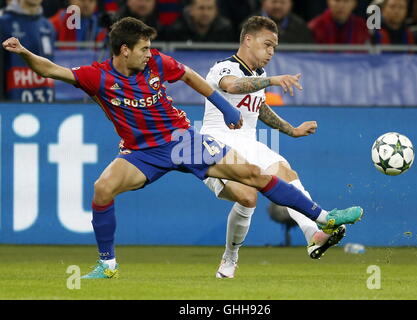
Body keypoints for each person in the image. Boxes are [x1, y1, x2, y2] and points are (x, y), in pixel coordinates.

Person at [3, 17, 363, 279]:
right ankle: (107, 264)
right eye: (143, 48)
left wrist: (224, 108)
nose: (149, 53)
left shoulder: (158, 62)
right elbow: (50, 69)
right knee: (102, 188)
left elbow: (191, 76)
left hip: (181, 141)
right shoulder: (97, 76)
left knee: (253, 176)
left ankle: (323, 219)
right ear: (124, 50)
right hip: (140, 152)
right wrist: (22, 51)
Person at [200, 16, 348, 279]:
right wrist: (273, 81)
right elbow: (233, 86)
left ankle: (313, 234)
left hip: (247, 142)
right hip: (215, 144)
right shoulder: (223, 68)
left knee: (286, 174)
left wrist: (291, 130)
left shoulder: (260, 75)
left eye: (274, 48)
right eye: (267, 44)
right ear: (248, 40)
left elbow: (260, 108)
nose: (271, 52)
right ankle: (230, 258)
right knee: (247, 197)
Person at [0, 0, 55, 102]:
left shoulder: (48, 26)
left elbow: (50, 69)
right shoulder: (4, 23)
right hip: (11, 106)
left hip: (47, 105)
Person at [162, 0, 235, 42]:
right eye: (201, 8)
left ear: (216, 11)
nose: (205, 13)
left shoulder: (226, 30)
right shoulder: (176, 31)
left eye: (209, 8)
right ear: (191, 10)